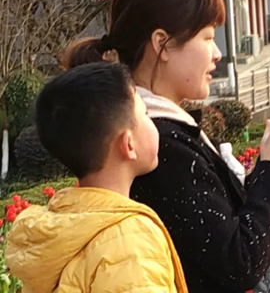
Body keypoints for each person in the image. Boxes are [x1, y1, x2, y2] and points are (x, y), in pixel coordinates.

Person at [63, 0, 270, 293]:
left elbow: (224, 231)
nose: (217, 53)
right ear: (163, 44)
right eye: (207, 37)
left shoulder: (164, 130)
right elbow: (238, 262)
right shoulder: (158, 146)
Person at [6, 63, 187, 293]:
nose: (155, 124)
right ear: (128, 144)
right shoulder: (131, 239)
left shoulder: (56, 224)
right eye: (145, 114)